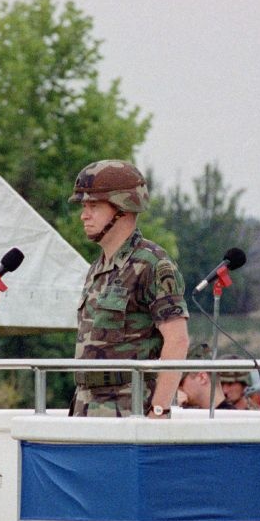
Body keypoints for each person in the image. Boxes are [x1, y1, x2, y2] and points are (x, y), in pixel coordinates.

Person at [68, 159, 189, 417]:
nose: (84, 214)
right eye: (84, 206)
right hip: (87, 408)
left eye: (94, 206)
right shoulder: (98, 268)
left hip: (131, 410)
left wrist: (159, 409)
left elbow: (177, 341)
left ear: (123, 209)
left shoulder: (153, 264)